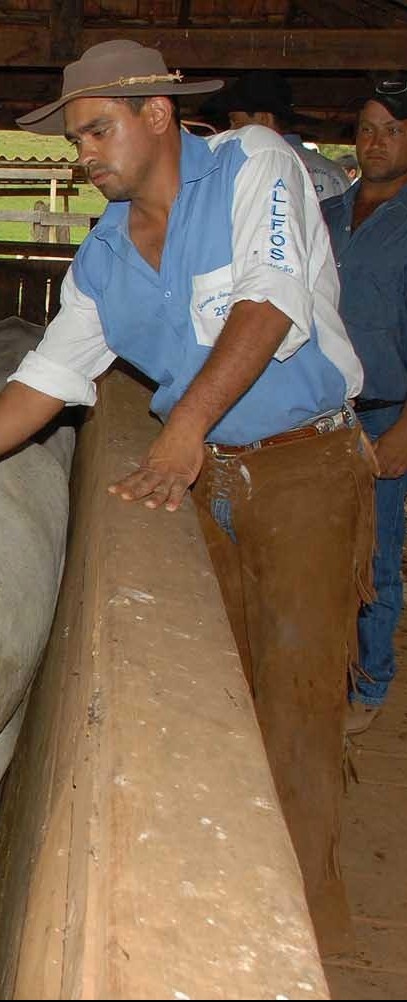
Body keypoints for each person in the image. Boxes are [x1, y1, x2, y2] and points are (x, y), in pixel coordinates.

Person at [0, 39, 374, 955]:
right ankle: (220, 910)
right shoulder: (101, 256)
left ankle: (307, 941)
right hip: (202, 479)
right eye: (75, 139)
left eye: (97, 130)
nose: (82, 153)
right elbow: (44, 382)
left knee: (295, 711)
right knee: (224, 699)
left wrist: (184, 428)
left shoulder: (256, 165)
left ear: (159, 115)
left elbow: (271, 302)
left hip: (301, 470)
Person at [322, 78, 407, 736]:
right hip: (325, 408)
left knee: (377, 551)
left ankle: (372, 678)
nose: (377, 141)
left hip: (387, 410)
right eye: (368, 128)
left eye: (394, 129)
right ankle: (328, 663)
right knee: (325, 543)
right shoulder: (328, 214)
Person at [206, 69, 351, 199]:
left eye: (235, 122)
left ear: (264, 118)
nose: (231, 131)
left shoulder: (244, 170)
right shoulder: (332, 174)